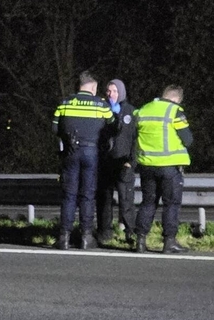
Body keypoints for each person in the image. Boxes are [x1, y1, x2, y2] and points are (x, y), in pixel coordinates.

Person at [52, 71, 114, 250]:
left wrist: (68, 137)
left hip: (71, 151)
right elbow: (112, 126)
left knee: (69, 195)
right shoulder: (100, 104)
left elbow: (55, 128)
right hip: (91, 151)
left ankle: (64, 237)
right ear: (93, 87)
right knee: (87, 195)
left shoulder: (65, 103)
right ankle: (87, 237)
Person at [134, 85, 193, 253]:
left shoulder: (144, 110)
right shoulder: (174, 111)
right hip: (169, 166)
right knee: (171, 204)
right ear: (176, 99)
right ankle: (169, 241)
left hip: (147, 165)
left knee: (148, 202)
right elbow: (188, 139)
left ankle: (140, 241)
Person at [96, 78, 137, 245]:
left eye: (114, 91)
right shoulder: (102, 110)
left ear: (121, 92)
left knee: (126, 199)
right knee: (104, 199)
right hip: (105, 162)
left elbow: (136, 139)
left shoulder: (131, 112)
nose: (110, 94)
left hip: (123, 162)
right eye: (108, 91)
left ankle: (130, 233)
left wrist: (132, 161)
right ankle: (104, 232)